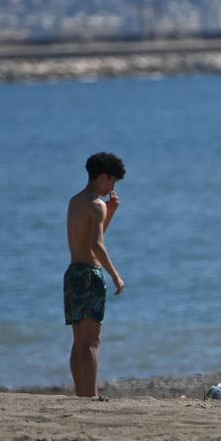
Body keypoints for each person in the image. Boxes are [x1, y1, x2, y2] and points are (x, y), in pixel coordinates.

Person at [65, 151, 125, 397]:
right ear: (103, 177)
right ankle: (91, 396)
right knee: (92, 342)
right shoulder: (96, 205)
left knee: (79, 340)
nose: (112, 186)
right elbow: (97, 246)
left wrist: (109, 213)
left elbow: (89, 240)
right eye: (112, 181)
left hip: (73, 273)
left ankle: (82, 394)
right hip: (90, 274)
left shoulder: (75, 201)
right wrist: (115, 275)